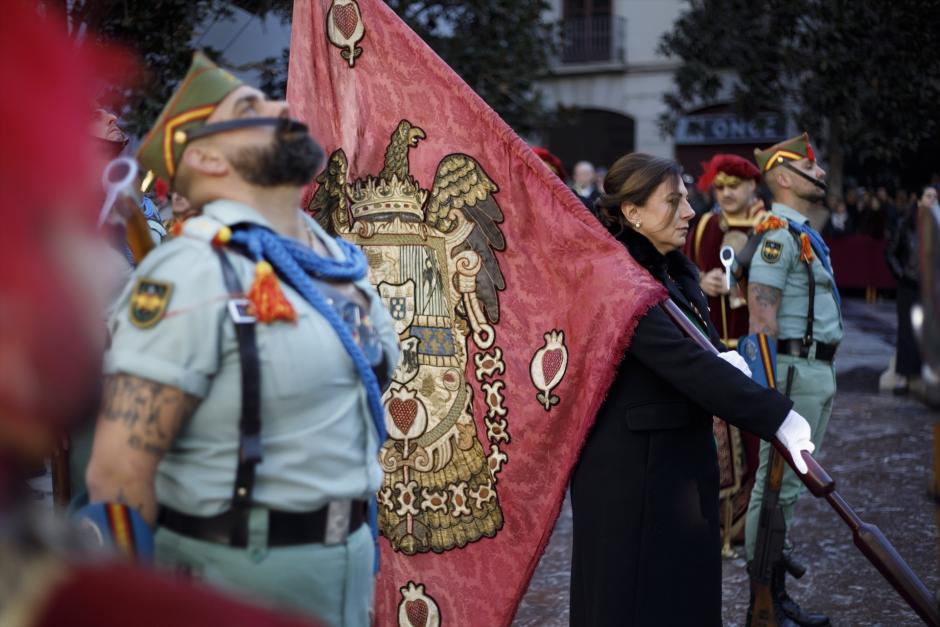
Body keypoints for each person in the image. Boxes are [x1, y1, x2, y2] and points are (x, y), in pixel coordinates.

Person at [85, 52, 400, 625]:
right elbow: (118, 475)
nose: (282, 106)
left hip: (349, 562)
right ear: (206, 157)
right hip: (237, 578)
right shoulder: (190, 274)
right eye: (252, 108)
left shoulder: (330, 260)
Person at [570, 152, 815, 626]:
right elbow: (686, 365)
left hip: (672, 471)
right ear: (633, 213)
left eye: (686, 199)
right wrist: (778, 417)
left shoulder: (667, 273)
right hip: (633, 482)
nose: (689, 212)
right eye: (673, 202)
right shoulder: (619, 282)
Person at [744, 133, 841, 627]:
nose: (820, 174)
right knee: (775, 487)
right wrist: (769, 394)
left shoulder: (802, 232)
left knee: (790, 490)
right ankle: (766, 598)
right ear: (783, 177)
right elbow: (762, 321)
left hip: (812, 370)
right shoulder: (780, 237)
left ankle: (774, 588)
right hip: (793, 373)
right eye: (811, 168)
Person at [683, 153, 767, 552]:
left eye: (735, 185)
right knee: (717, 448)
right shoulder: (699, 227)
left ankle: (750, 530)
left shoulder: (771, 229)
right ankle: (716, 529)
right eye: (721, 186)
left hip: (759, 353)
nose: (728, 193)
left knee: (756, 444)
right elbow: (676, 273)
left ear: (753, 186)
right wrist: (700, 280)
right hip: (713, 350)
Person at [885, 185, 933, 394]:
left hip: (931, 287)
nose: (933, 200)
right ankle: (903, 377)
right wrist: (901, 273)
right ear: (920, 200)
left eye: (936, 197)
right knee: (906, 330)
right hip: (909, 284)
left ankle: (925, 376)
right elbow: (890, 252)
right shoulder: (907, 223)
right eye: (929, 196)